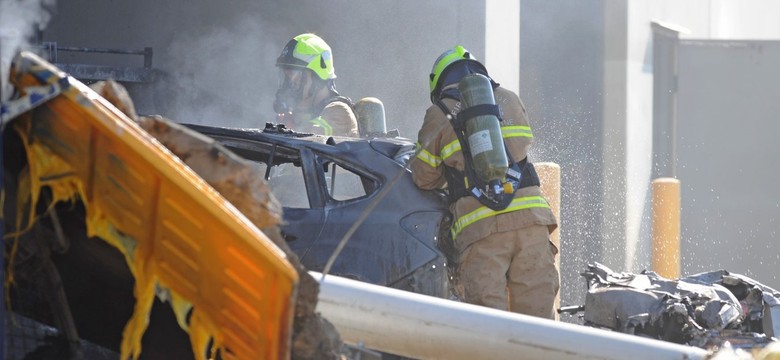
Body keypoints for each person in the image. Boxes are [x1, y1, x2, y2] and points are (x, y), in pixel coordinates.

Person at [410, 45, 559, 319]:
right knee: (539, 326)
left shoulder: (439, 112)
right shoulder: (509, 99)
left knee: (489, 329)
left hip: (481, 230)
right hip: (532, 222)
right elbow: (522, 145)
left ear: (439, 81)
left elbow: (423, 178)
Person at [274, 33, 359, 137]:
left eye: (296, 76)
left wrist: (289, 129)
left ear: (317, 77)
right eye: (287, 78)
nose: (290, 84)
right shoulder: (300, 115)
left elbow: (312, 140)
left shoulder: (339, 112)